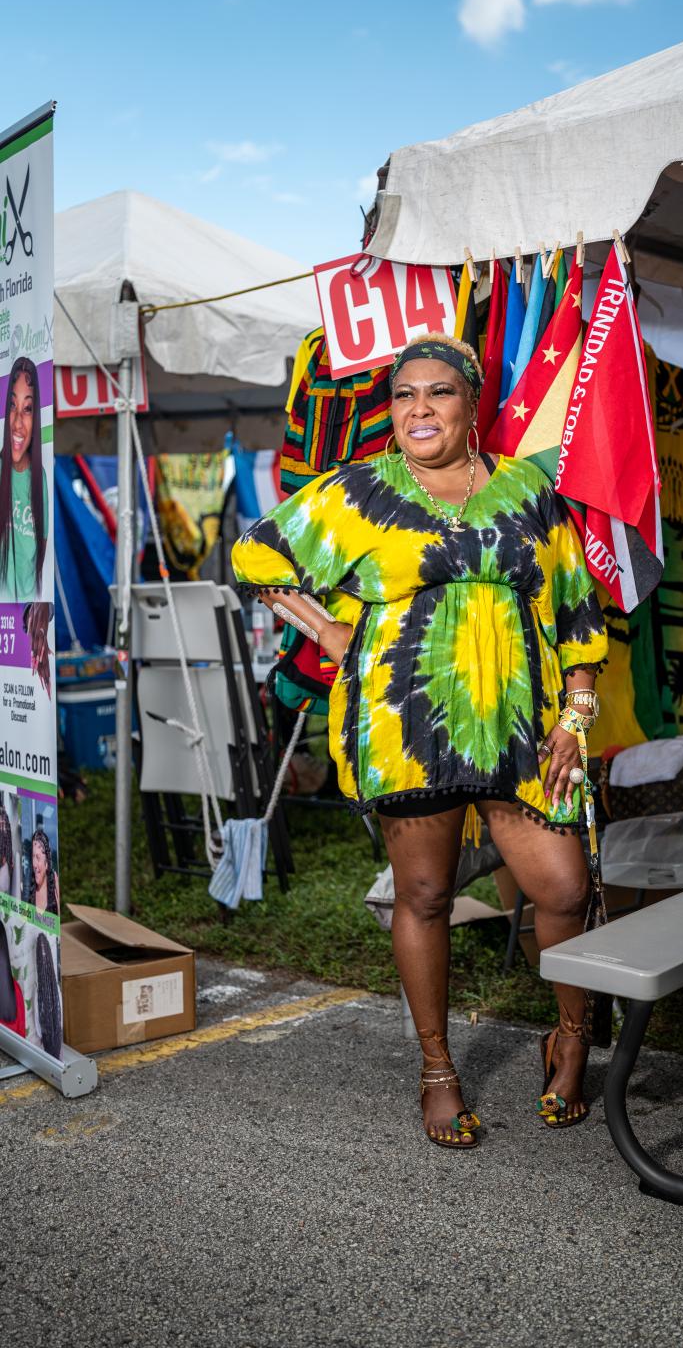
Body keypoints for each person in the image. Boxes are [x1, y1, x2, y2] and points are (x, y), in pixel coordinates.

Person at [233, 333, 608, 1149]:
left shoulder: (525, 490)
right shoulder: (358, 491)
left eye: (437, 393)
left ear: (472, 405)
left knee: (564, 888)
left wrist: (576, 716)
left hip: (519, 727)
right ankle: (438, 1069)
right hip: (406, 726)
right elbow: (258, 553)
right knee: (427, 894)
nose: (418, 410)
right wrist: (332, 630)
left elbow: (576, 606)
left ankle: (571, 1034)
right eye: (404, 396)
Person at [0, 356, 48, 602]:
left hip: (27, 618)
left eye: (27, 408)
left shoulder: (40, 479)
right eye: (12, 406)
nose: (18, 422)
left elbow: (42, 553)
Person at [28, 827, 59, 916]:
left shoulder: (55, 893)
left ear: (47, 864)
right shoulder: (29, 893)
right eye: (32, 857)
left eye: (37, 857)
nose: (34, 864)